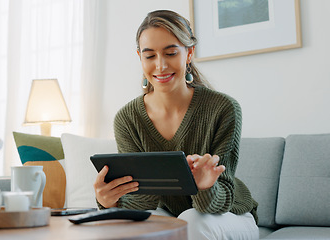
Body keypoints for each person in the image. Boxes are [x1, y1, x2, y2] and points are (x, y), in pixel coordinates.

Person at [93, 10, 259, 239]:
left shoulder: (224, 109)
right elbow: (143, 202)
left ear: (189, 53)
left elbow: (221, 198)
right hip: (171, 216)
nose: (160, 66)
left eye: (170, 53)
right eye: (149, 56)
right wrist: (108, 201)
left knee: (190, 221)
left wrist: (205, 187)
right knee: (129, 227)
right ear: (140, 57)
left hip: (227, 216)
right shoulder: (127, 119)